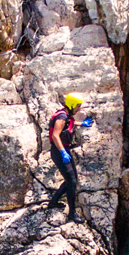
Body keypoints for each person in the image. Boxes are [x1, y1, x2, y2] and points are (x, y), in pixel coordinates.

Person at [46, 92, 93, 223]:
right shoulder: (61, 116)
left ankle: (54, 202)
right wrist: (63, 152)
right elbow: (56, 135)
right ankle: (72, 213)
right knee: (71, 181)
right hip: (59, 151)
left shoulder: (66, 115)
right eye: (78, 106)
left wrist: (81, 123)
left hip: (63, 150)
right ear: (72, 105)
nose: (79, 108)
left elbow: (68, 124)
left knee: (71, 180)